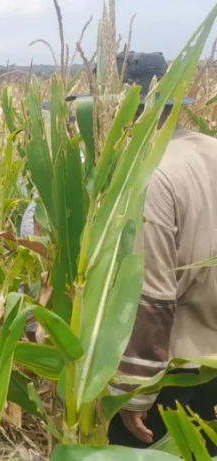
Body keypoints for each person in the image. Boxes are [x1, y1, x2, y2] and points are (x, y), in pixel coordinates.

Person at [102, 52, 217, 453]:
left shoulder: (148, 174)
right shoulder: (210, 147)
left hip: (172, 369)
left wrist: (133, 395)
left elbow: (151, 297)